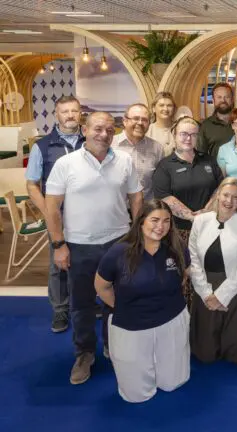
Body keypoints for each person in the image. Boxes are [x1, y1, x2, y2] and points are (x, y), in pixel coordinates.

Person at [45, 112, 143, 385]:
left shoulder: (124, 160)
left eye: (110, 130)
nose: (104, 134)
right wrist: (59, 245)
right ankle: (84, 353)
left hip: (118, 243)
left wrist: (135, 234)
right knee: (82, 304)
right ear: (85, 130)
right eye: (98, 129)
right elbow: (52, 207)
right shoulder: (66, 163)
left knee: (116, 299)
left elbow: (136, 197)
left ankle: (113, 345)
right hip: (79, 245)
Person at [95, 200, 190, 403]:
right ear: (141, 222)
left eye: (166, 221)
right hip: (131, 325)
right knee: (136, 394)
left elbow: (183, 277)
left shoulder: (176, 247)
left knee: (172, 382)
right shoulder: (118, 252)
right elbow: (102, 287)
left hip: (172, 319)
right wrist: (123, 308)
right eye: (154, 220)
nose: (160, 226)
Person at [25, 95, 85, 333]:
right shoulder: (42, 146)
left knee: (87, 261)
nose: (70, 115)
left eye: (74, 111)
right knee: (59, 263)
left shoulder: (91, 140)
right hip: (58, 217)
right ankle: (60, 308)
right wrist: (49, 212)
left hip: (88, 214)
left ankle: (86, 302)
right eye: (65, 111)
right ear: (57, 115)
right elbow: (32, 185)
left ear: (80, 114)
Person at [188, 177, 237, 363]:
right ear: (218, 195)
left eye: (235, 197)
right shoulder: (200, 221)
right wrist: (207, 294)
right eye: (226, 195)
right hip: (206, 287)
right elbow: (194, 261)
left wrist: (221, 296)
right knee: (205, 354)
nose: (229, 201)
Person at [112, 103, 164, 201]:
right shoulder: (111, 145)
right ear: (125, 121)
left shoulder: (157, 148)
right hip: (117, 207)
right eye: (135, 118)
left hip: (146, 207)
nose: (140, 123)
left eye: (144, 120)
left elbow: (159, 182)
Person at [198, 82, 235, 159]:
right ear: (213, 100)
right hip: (216, 166)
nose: (223, 100)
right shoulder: (206, 126)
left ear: (232, 99)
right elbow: (201, 155)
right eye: (219, 97)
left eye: (227, 97)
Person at [146, 91, 176, 156]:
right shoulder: (147, 131)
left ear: (174, 109)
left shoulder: (180, 128)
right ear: (154, 108)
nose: (166, 109)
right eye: (161, 105)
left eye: (169, 105)